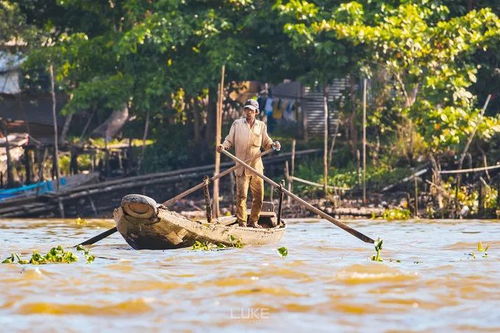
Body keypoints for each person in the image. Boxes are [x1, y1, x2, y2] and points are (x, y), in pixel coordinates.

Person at [217, 99, 281, 228]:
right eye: (246, 110)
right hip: (241, 166)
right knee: (241, 196)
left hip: (256, 167)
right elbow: (229, 140)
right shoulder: (237, 124)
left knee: (259, 197)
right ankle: (242, 223)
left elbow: (267, 143)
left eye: (251, 110)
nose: (248, 113)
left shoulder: (261, 126)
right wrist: (222, 146)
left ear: (256, 112)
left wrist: (274, 144)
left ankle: (254, 221)